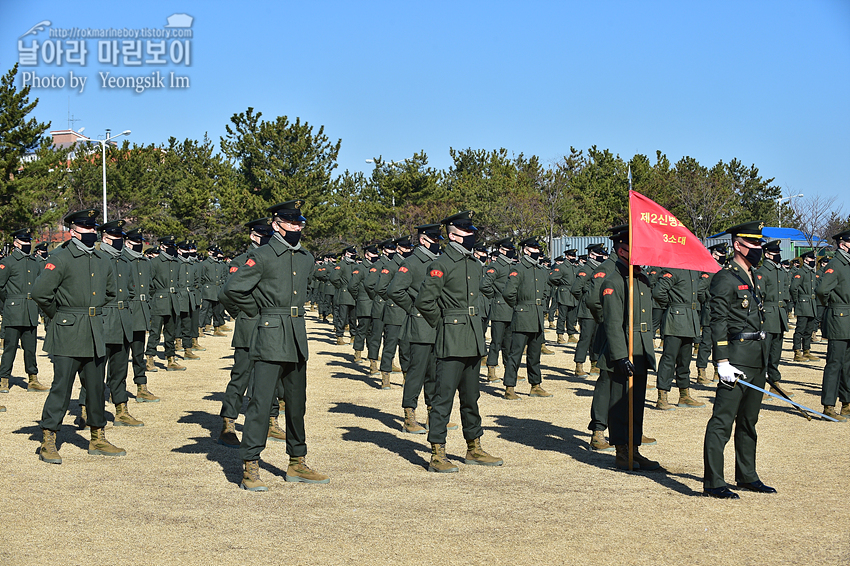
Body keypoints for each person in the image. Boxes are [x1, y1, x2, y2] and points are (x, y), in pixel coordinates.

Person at [222, 199, 328, 491]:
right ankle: (250, 466)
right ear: (276, 224)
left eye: (299, 223)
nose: (296, 227)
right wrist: (256, 312)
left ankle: (297, 461)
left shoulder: (306, 257)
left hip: (296, 336)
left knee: (297, 405)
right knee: (260, 404)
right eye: (291, 222)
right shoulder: (263, 256)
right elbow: (232, 290)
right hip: (269, 335)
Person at [32, 209, 125, 464]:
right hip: (68, 331)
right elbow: (41, 293)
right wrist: (61, 315)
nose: (91, 233)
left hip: (95, 329)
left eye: (93, 228)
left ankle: (97, 437)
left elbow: (110, 292)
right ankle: (48, 439)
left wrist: (89, 312)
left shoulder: (102, 260)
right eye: (86, 228)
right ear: (73, 231)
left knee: (96, 387)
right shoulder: (60, 257)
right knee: (61, 387)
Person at [415, 211, 502, 473]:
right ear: (452, 235)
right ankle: (437, 453)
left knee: (471, 397)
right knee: (443, 399)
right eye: (466, 231)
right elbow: (424, 301)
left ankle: (473, 447)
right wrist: (443, 323)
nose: (471, 235)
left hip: (473, 338)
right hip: (451, 338)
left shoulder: (474, 264)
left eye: (471, 230)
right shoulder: (441, 265)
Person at [703, 221, 776, 499]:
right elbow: (717, 322)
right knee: (722, 422)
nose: (758, 248)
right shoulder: (725, 277)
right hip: (736, 358)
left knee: (748, 421)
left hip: (756, 357)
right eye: (753, 244)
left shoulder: (753, 275)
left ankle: (747, 475)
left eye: (759, 244)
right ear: (738, 245)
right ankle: (714, 482)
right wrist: (721, 362)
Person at [218, 218, 286, 446]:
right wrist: (244, 312)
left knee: (271, 379)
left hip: (272, 327)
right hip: (249, 326)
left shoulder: (278, 259)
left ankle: (271, 422)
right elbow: (227, 294)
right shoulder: (241, 261)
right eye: (262, 235)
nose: (267, 238)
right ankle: (228, 423)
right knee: (241, 376)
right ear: (253, 236)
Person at [597, 225, 659, 470]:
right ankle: (622, 451)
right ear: (621, 249)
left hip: (641, 348)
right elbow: (612, 323)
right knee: (621, 404)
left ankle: (634, 449)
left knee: (637, 402)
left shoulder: (640, 277)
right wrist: (621, 356)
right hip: (624, 350)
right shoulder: (614, 281)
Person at [78, 219, 144, 428]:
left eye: (121, 238)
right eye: (116, 237)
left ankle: (121, 409)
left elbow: (131, 289)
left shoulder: (125, 261)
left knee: (120, 369)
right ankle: (86, 409)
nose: (119, 241)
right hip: (103, 320)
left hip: (123, 320)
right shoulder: (96, 258)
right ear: (105, 238)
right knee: (94, 371)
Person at [387, 223, 445, 433]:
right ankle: (409, 416)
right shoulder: (411, 263)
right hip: (419, 325)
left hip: (437, 325)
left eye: (438, 239)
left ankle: (432, 415)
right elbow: (395, 290)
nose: (437, 243)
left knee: (435, 374)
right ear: (423, 240)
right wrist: (413, 307)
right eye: (434, 239)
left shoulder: (438, 262)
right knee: (416, 373)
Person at [502, 237, 552, 400]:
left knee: (534, 354)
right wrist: (519, 306)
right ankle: (509, 387)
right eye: (535, 249)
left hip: (537, 316)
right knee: (515, 354)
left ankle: (535, 385)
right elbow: (509, 293)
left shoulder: (540, 270)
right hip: (523, 316)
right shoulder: (518, 269)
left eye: (538, 249)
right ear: (526, 250)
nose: (538, 252)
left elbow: (545, 291)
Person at [0, 227, 49, 394]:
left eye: (29, 241)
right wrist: (10, 300)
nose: (27, 244)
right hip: (13, 311)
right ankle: (4, 379)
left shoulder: (35, 263)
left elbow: (41, 285)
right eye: (24, 241)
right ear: (15, 243)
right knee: (10, 347)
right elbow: (0, 287)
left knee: (30, 348)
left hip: (30, 311)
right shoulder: (8, 262)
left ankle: (32, 379)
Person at [652, 266, 706, 410]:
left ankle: (684, 395)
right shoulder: (673, 270)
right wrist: (671, 305)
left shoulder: (693, 271)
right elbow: (658, 292)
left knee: (685, 359)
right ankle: (662, 396)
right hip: (676, 319)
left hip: (690, 320)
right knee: (669, 359)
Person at [816, 228, 850, 421]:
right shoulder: (836, 264)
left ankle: (847, 403)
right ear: (842, 244)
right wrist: (831, 305)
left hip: (848, 318)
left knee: (848, 365)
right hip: (839, 318)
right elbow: (821, 289)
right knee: (835, 364)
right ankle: (828, 405)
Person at [122, 228, 159, 401]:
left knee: (138, 354)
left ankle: (141, 387)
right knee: (119, 357)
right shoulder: (121, 260)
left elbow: (150, 287)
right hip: (124, 313)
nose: (139, 245)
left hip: (141, 311)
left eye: (140, 243)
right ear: (127, 243)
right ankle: (116, 390)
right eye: (135, 242)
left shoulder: (146, 263)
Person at [145, 236, 185, 371]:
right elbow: (149, 283)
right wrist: (153, 298)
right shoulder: (154, 263)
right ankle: (150, 358)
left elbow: (179, 281)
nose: (171, 249)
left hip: (173, 301)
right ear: (162, 247)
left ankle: (171, 359)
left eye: (172, 246)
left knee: (171, 332)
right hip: (159, 300)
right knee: (155, 332)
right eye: (169, 246)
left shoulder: (176, 263)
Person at [480, 238, 516, 382]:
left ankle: (509, 371)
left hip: (511, 309)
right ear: (501, 250)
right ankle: (491, 370)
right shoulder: (496, 266)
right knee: (496, 342)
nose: (511, 253)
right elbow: (484, 285)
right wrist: (495, 296)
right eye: (509, 250)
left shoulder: (511, 266)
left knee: (509, 343)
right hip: (499, 309)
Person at [756, 240, 790, 393]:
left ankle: (775, 383)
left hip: (779, 315)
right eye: (775, 253)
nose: (778, 256)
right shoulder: (763, 272)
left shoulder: (781, 271)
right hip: (768, 315)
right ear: (767, 254)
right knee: (764, 353)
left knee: (776, 352)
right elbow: (758, 296)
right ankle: (759, 386)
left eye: (778, 253)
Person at [695, 243, 727, 384]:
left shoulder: (722, 269)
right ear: (714, 254)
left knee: (720, 343)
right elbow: (700, 290)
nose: (723, 256)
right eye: (721, 253)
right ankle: (701, 371)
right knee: (706, 343)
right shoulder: (708, 269)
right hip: (710, 312)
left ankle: (716, 371)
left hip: (721, 312)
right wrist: (708, 302)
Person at [348, 245, 379, 362]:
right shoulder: (360, 268)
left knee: (373, 332)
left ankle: (372, 355)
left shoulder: (377, 267)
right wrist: (359, 297)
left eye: (376, 254)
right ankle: (358, 352)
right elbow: (352, 286)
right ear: (366, 255)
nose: (375, 256)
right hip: (364, 304)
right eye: (373, 254)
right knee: (362, 330)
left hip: (375, 304)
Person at [790, 251, 820, 362]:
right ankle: (797, 352)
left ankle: (807, 351)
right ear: (806, 260)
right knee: (800, 330)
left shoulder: (812, 272)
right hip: (803, 304)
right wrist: (797, 301)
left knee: (809, 330)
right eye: (812, 259)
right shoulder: (801, 272)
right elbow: (793, 288)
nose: (814, 261)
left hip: (812, 304)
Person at [330, 246, 357, 345]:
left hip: (354, 294)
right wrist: (341, 287)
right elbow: (333, 278)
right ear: (346, 254)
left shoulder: (355, 265)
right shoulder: (341, 265)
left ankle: (353, 336)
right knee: (342, 316)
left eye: (354, 254)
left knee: (353, 318)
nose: (353, 256)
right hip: (344, 294)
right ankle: (339, 336)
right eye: (351, 254)